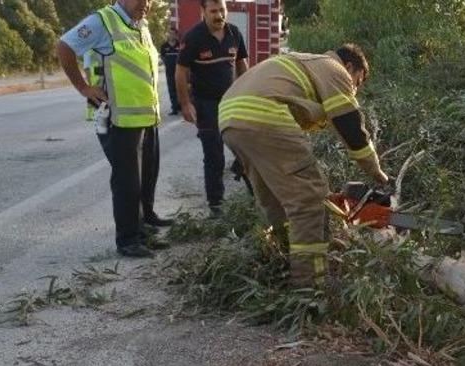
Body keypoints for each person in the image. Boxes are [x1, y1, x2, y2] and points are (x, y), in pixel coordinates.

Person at [219, 44, 389, 288]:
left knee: (277, 199)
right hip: (263, 114)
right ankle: (311, 283)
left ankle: (284, 258)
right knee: (309, 199)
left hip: (230, 116)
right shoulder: (334, 69)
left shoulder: (307, 63)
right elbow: (349, 124)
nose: (355, 89)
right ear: (350, 66)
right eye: (358, 82)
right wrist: (377, 172)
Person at [56, 0, 173, 259]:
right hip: (117, 117)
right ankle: (128, 240)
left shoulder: (140, 25)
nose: (146, 3)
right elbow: (65, 46)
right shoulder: (102, 21)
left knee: (146, 175)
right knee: (127, 181)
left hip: (143, 116)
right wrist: (84, 88)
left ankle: (143, 229)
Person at [176, 0, 248, 214]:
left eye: (222, 10)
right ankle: (216, 205)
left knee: (246, 147)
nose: (219, 15)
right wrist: (186, 103)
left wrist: (247, 94)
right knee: (214, 154)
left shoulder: (234, 33)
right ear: (204, 12)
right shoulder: (194, 37)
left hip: (232, 101)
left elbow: (242, 64)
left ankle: (255, 194)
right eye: (214, 11)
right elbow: (180, 72)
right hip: (205, 104)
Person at [159, 27, 181, 115]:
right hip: (169, 72)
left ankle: (181, 106)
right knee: (172, 90)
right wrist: (166, 63)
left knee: (180, 89)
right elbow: (162, 57)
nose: (171, 35)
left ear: (176, 35)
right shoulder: (164, 46)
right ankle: (174, 108)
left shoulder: (180, 45)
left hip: (179, 72)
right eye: (170, 33)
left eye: (173, 33)